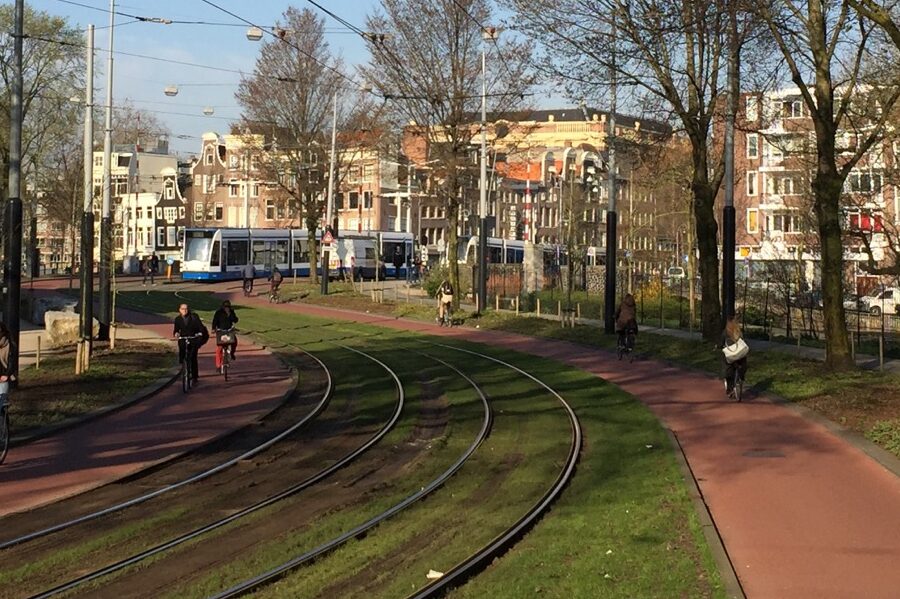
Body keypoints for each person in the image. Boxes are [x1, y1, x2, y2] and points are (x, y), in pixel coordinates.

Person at [173, 303, 207, 384]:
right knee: (182, 351)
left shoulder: (194, 317)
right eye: (183, 309)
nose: (185, 310)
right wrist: (176, 333)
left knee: (193, 357)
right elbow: (176, 330)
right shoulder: (178, 319)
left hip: (193, 338)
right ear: (179, 310)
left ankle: (195, 376)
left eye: (186, 309)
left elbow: (200, 327)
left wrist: (200, 333)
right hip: (183, 338)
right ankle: (183, 365)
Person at [720, 317, 749, 399]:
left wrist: (719, 346)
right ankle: (741, 377)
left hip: (731, 355)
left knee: (727, 367)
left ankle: (730, 389)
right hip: (739, 355)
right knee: (742, 363)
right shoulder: (739, 332)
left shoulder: (725, 332)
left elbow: (721, 343)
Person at [211, 300, 239, 372]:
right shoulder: (218, 313)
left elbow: (235, 320)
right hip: (221, 331)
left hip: (229, 331)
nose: (227, 308)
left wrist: (230, 314)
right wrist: (213, 329)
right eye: (225, 307)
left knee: (234, 342)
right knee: (219, 348)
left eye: (228, 307)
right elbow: (215, 321)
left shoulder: (231, 312)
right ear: (223, 307)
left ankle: (232, 353)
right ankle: (218, 365)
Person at [0, 322, 15, 403]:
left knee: (2, 401)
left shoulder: (9, 345)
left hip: (3, 376)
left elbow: (11, 362)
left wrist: (6, 375)